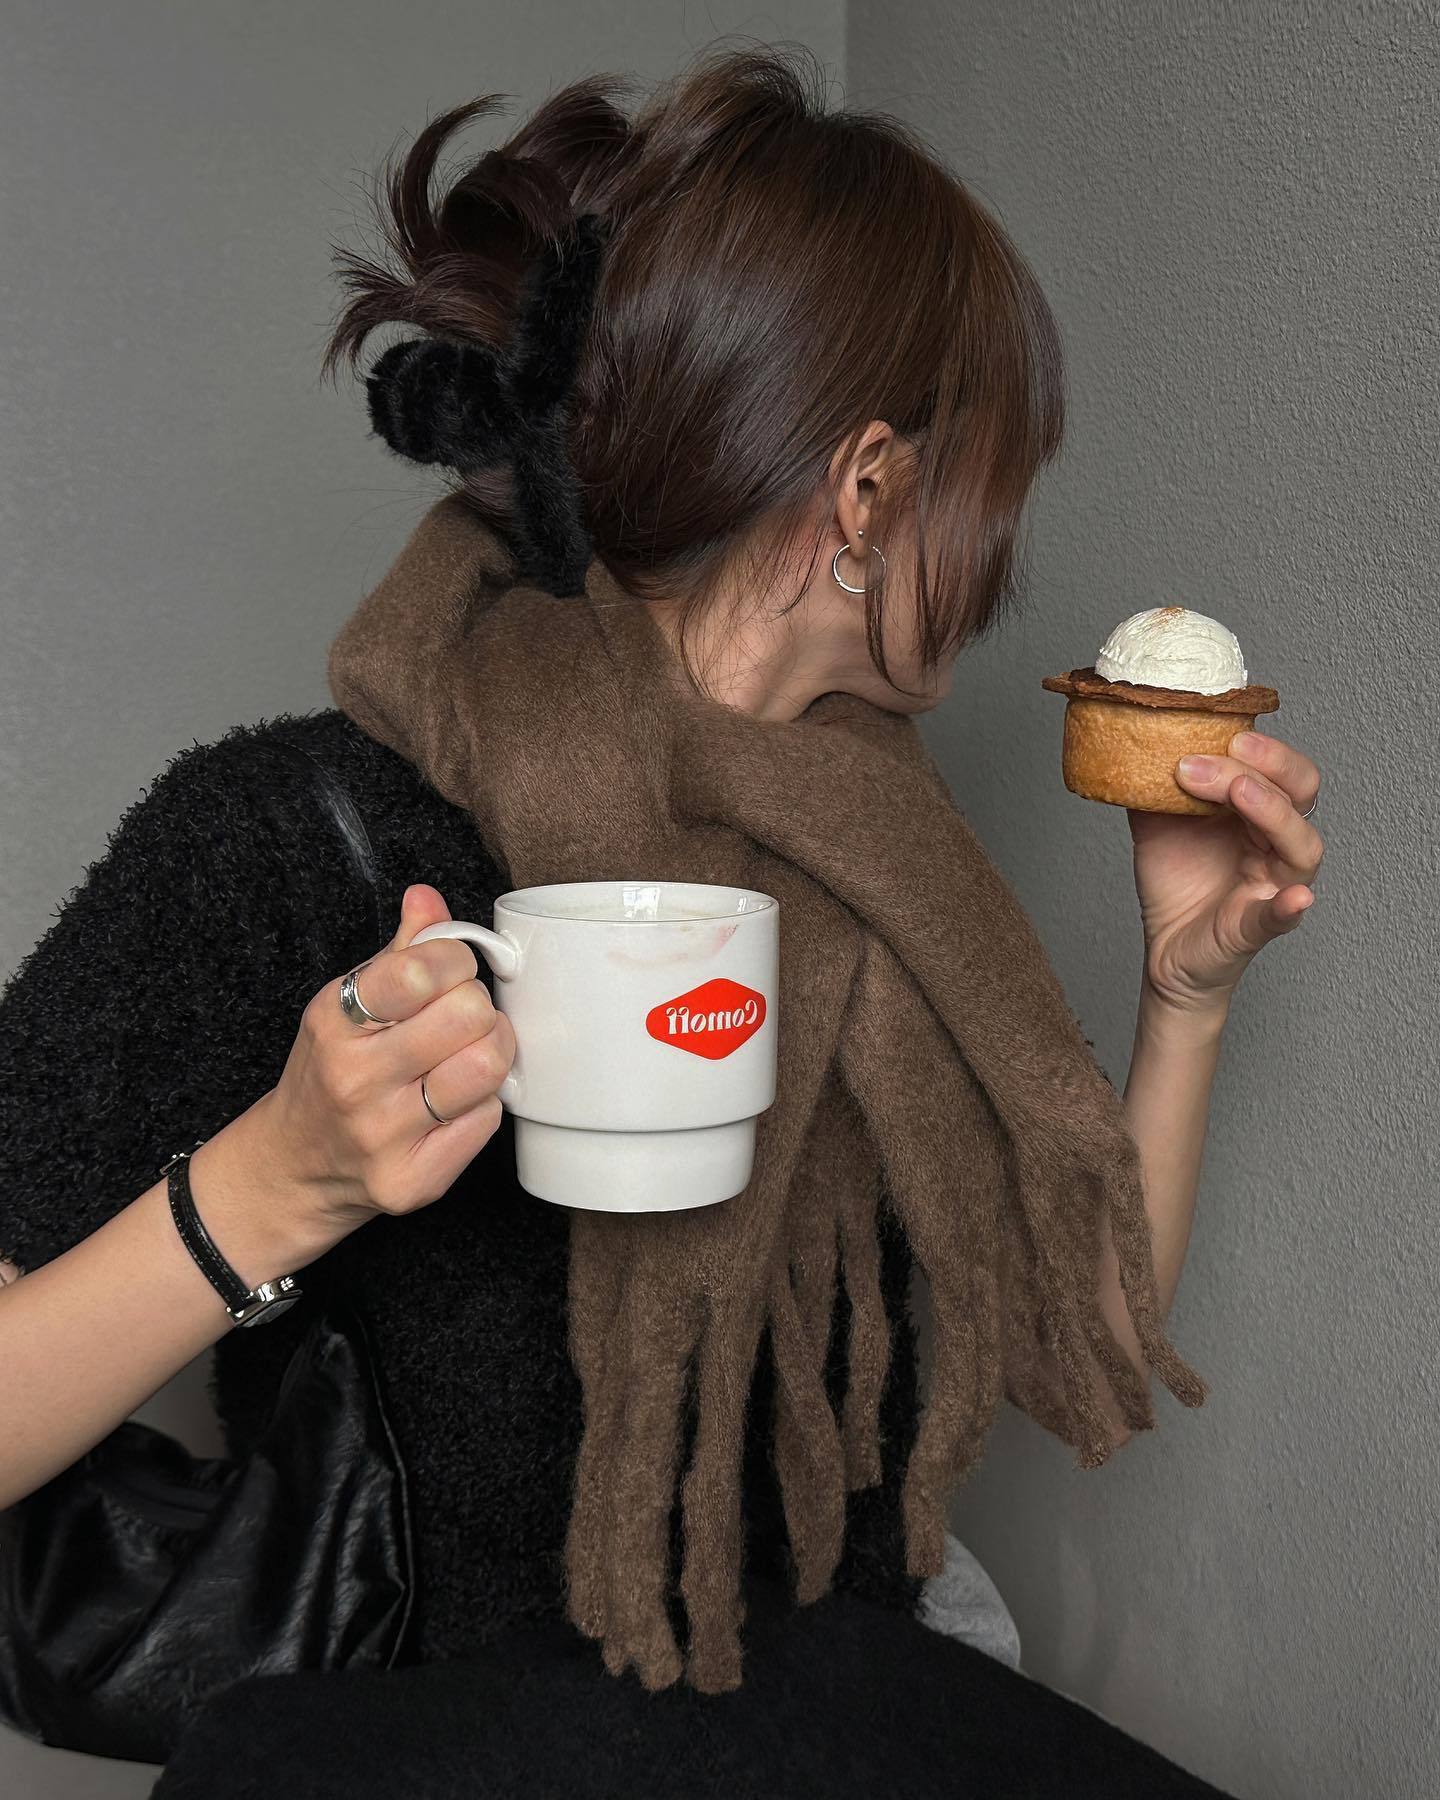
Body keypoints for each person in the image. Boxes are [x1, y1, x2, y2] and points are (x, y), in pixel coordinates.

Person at [0, 41, 1323, 1798]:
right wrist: (278, 1186)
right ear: (869, 491)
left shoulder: (892, 858)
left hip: (827, 1712)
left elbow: (1069, 1325)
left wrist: (1185, 996)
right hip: (432, 1746)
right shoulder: (297, 832)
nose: (1005, 553)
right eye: (993, 480)